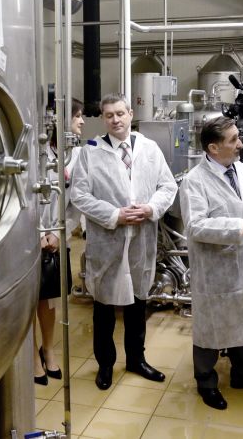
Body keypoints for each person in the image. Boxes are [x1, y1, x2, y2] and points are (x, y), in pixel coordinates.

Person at [71, 94, 177, 391]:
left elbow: (167, 186)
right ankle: (105, 364)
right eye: (109, 115)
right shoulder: (90, 152)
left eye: (120, 113)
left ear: (130, 113)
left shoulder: (149, 148)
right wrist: (114, 215)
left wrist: (151, 208)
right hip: (108, 241)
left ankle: (136, 359)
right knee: (104, 306)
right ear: (103, 119)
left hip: (141, 238)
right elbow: (79, 195)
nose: (115, 120)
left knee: (138, 303)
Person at [180, 116, 243, 411]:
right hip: (214, 268)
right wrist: (240, 227)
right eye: (233, 140)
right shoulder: (194, 181)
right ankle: (206, 381)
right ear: (213, 148)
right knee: (210, 326)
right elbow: (196, 226)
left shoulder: (242, 170)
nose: (240, 144)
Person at [34, 98, 86, 386]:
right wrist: (37, 233)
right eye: (77, 116)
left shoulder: (75, 155)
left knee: (51, 300)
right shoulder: (35, 152)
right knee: (28, 302)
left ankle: (48, 349)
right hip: (30, 238)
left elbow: (76, 201)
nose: (82, 122)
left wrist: (57, 232)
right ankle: (32, 356)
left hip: (57, 237)